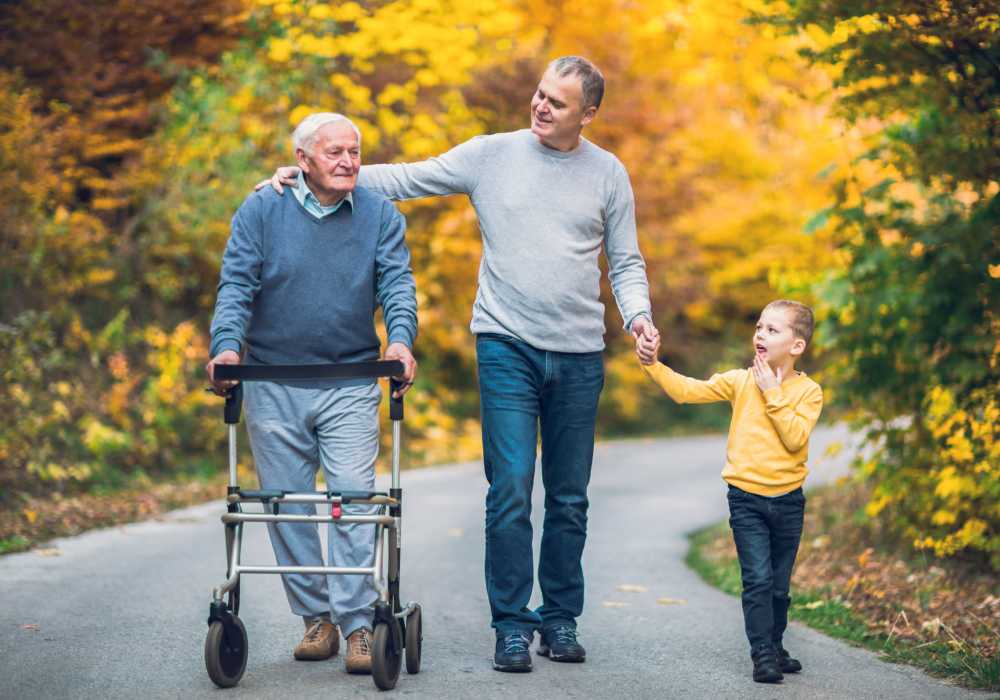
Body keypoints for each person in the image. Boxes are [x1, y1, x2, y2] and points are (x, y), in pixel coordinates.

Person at [261, 56, 659, 672]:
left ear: (588, 113)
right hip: (504, 343)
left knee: (570, 497)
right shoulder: (490, 155)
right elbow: (404, 179)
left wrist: (638, 317)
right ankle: (511, 625)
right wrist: (312, 172)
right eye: (539, 93)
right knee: (507, 492)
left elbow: (626, 262)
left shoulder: (608, 173)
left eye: (557, 101)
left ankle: (559, 618)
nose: (541, 106)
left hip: (580, 353)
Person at [207, 112, 418, 675]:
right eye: (335, 153)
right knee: (286, 504)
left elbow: (397, 283)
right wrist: (227, 347)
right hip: (271, 378)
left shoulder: (379, 215)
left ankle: (356, 628)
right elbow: (237, 283)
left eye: (354, 151)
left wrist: (399, 341)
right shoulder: (261, 208)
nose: (349, 161)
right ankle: (316, 620)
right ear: (303, 161)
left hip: (350, 379)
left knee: (351, 498)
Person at [637, 300, 823, 684]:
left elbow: (794, 439)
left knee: (779, 583)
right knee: (757, 579)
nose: (760, 334)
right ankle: (762, 654)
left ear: (797, 345)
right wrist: (653, 364)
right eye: (758, 327)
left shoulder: (809, 392)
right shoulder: (740, 381)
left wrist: (773, 393)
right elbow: (688, 391)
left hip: (788, 500)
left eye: (772, 330)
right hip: (746, 498)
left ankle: (775, 643)